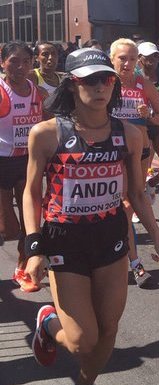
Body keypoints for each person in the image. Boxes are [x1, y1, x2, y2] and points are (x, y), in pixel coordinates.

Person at [24, 47, 159, 385]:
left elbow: (136, 193)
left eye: (106, 79)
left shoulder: (129, 135)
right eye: (89, 81)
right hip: (65, 238)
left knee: (108, 328)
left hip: (110, 235)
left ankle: (85, 383)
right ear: (73, 85)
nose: (100, 87)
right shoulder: (48, 134)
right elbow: (31, 192)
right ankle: (48, 324)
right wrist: (34, 248)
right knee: (81, 340)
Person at [109, 38, 159, 286]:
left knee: (131, 201)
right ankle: (132, 260)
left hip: (141, 151)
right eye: (122, 58)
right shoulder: (105, 83)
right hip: (113, 152)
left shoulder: (143, 83)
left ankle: (129, 259)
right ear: (112, 59)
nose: (128, 63)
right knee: (123, 204)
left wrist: (148, 115)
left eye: (132, 58)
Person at [1, 41, 49, 293]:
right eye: (13, 61)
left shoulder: (37, 92)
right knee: (6, 227)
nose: (20, 67)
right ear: (2, 63)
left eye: (26, 62)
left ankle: (22, 266)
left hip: (28, 161)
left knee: (29, 221)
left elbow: (50, 118)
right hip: (1, 162)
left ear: (32, 64)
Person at [137, 41, 159, 159]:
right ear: (140, 58)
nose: (153, 59)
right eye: (148, 55)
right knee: (146, 160)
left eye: (155, 55)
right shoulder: (136, 78)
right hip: (144, 124)